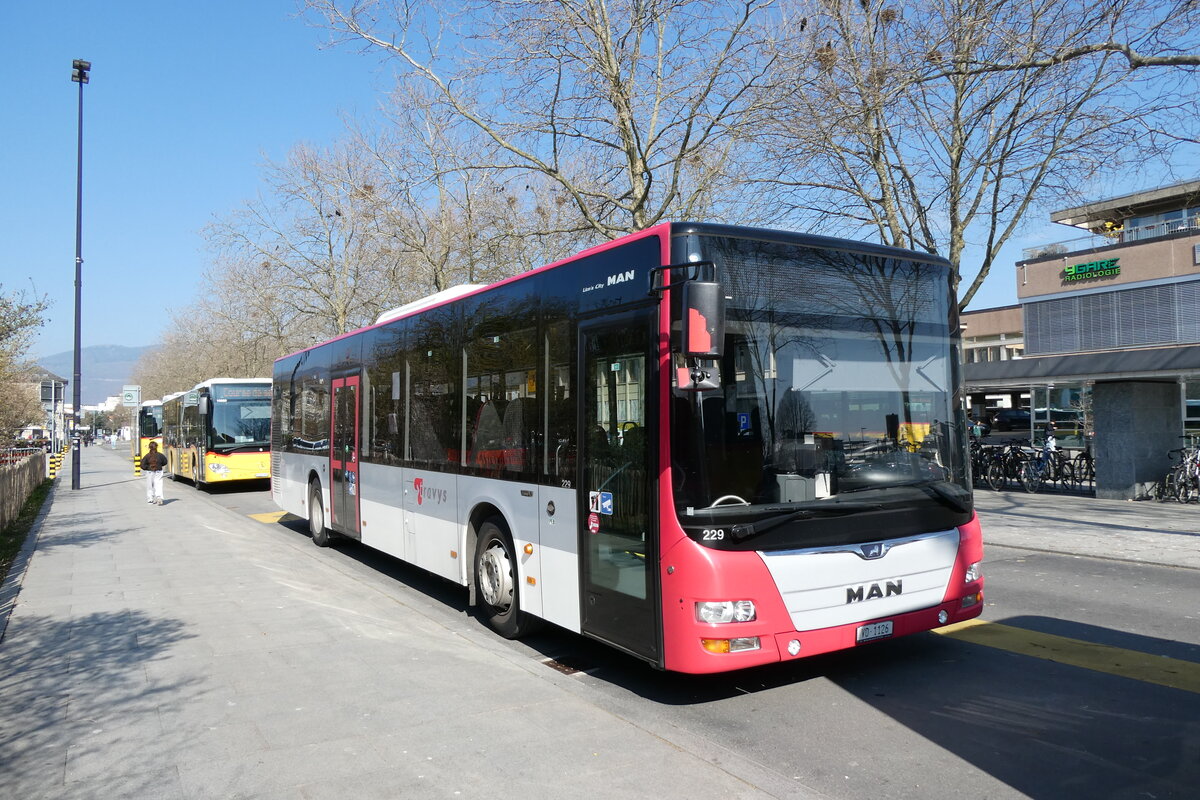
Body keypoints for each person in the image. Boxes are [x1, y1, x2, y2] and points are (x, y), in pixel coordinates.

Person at [141, 441, 167, 505]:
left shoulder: (147, 456)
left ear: (149, 448)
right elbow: (165, 462)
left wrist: (147, 468)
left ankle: (150, 499)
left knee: (150, 486)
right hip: (159, 471)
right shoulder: (160, 455)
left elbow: (142, 465)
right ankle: (159, 497)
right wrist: (159, 465)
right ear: (156, 447)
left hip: (150, 472)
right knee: (158, 484)